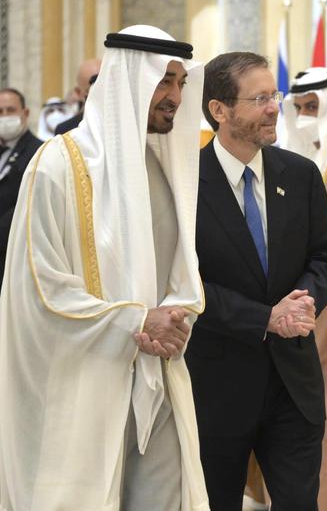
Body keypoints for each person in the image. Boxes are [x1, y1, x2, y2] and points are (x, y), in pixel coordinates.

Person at [0, 25, 208, 509]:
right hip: (85, 381)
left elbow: (184, 272)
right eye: (164, 81)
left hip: (158, 373)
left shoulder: (164, 168)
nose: (175, 96)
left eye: (180, 82)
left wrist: (179, 317)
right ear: (128, 81)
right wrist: (134, 320)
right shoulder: (57, 165)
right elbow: (42, 286)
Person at [188, 51, 327, 510]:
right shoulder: (185, 182)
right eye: (259, 99)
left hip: (293, 385)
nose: (275, 107)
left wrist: (302, 303)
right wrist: (264, 318)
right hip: (217, 387)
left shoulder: (300, 174)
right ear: (220, 110)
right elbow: (183, 282)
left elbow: (325, 258)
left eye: (274, 95)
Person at [281, 66, 327, 510]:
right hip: (290, 305)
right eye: (300, 107)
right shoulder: (286, 158)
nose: (306, 116)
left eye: (314, 107)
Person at [0, 88, 43, 286]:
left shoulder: (39, 151)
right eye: (0, 112)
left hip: (15, 249)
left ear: (24, 113)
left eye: (10, 110)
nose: (5, 116)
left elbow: (28, 202)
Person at [55, 58, 102, 135]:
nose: (99, 96)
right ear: (78, 93)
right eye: (91, 91)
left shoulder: (124, 123)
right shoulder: (65, 132)